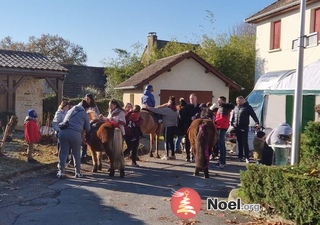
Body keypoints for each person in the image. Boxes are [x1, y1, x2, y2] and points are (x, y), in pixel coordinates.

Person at [57, 100, 91, 179]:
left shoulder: (70, 110)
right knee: (76, 153)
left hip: (63, 132)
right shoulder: (84, 114)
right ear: (85, 108)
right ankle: (78, 173)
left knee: (63, 153)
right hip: (75, 134)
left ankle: (61, 172)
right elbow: (88, 128)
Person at [145, 96, 178, 160]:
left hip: (167, 127)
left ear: (169, 102)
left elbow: (157, 110)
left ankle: (166, 155)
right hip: (173, 126)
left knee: (166, 141)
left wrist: (148, 108)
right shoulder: (175, 110)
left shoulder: (167, 110)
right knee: (171, 141)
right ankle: (173, 154)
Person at [231, 96, 260, 163]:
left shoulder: (247, 107)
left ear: (242, 100)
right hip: (237, 127)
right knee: (239, 142)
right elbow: (233, 116)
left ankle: (247, 157)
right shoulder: (236, 107)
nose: (237, 102)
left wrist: (257, 122)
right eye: (236, 101)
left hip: (244, 127)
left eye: (238, 101)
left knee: (245, 142)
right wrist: (232, 123)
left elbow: (253, 115)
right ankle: (240, 156)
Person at [214, 96, 235, 169]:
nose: (218, 102)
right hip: (222, 127)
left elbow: (222, 119)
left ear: (223, 101)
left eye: (219, 100)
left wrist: (215, 122)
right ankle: (222, 161)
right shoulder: (224, 108)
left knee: (221, 145)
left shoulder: (223, 108)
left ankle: (222, 162)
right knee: (222, 145)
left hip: (221, 127)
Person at [81, 94, 100, 163]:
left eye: (88, 99)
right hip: (85, 122)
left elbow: (97, 114)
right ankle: (83, 154)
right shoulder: (82, 105)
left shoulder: (94, 106)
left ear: (91, 99)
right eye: (86, 98)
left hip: (92, 122)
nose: (86, 100)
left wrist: (94, 117)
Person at [182, 93, 200, 162]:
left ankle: (194, 155)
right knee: (187, 141)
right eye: (190, 99)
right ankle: (187, 156)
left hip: (197, 128)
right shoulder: (186, 107)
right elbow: (182, 116)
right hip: (188, 127)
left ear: (196, 99)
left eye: (192, 98)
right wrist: (190, 118)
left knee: (196, 142)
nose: (191, 100)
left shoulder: (199, 107)